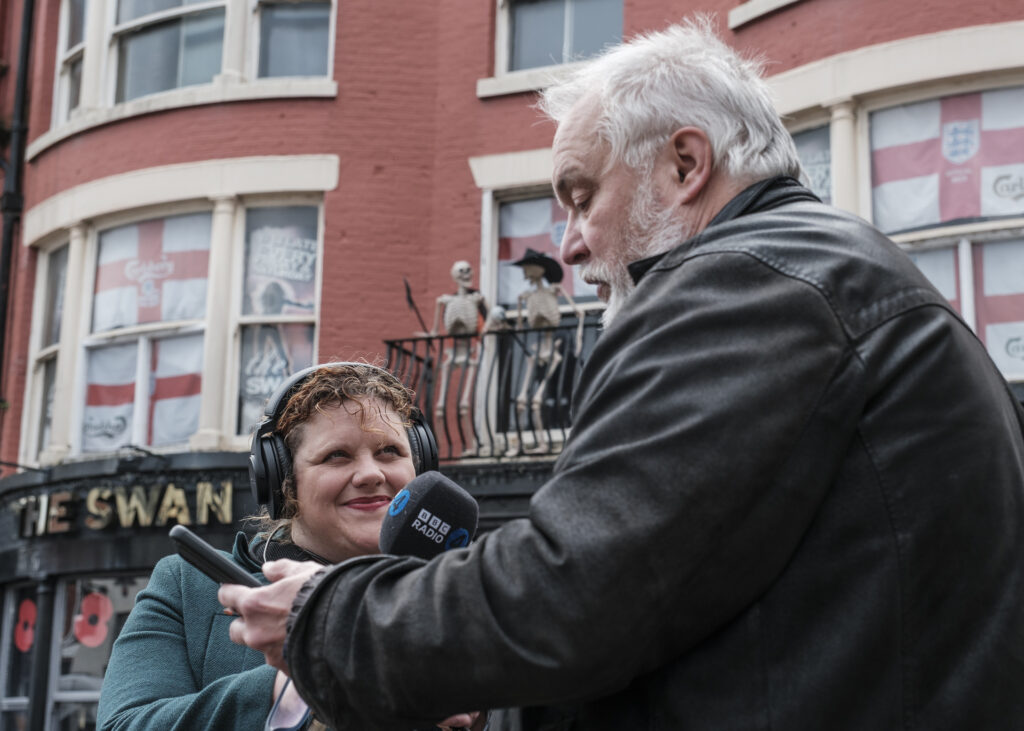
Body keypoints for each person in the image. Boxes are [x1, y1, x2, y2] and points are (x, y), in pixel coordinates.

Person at [221, 18, 1024, 730]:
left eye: (581, 197)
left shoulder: (745, 286)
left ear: (685, 164)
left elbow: (571, 594)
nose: (569, 245)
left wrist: (325, 615)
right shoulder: (817, 275)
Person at [97, 362, 476, 730]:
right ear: (283, 481)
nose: (370, 474)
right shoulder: (187, 585)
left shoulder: (460, 593)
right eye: (337, 456)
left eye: (389, 452)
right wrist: (298, 683)